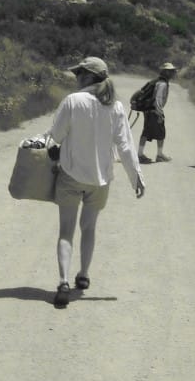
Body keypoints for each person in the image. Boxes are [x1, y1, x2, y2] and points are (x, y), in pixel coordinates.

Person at [45, 57, 146, 308]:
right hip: (100, 180)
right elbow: (125, 146)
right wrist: (136, 178)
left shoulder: (73, 101)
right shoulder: (116, 107)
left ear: (88, 77)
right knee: (89, 228)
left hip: (71, 175)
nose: (76, 77)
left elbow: (56, 136)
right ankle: (84, 275)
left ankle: (63, 282)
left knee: (66, 231)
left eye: (79, 73)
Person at [138, 61, 178, 164]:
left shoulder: (157, 81)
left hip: (149, 110)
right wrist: (159, 113)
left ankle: (142, 154)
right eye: (171, 71)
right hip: (154, 110)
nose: (173, 73)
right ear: (166, 72)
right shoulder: (163, 84)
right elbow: (158, 99)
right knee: (159, 132)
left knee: (147, 131)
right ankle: (155, 155)